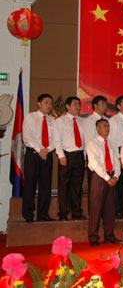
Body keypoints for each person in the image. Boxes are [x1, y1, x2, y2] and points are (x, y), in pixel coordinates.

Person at [86, 119, 120, 246]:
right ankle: (93, 237)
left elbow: (116, 161)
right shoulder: (92, 144)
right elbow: (95, 163)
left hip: (111, 177)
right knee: (96, 208)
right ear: (98, 128)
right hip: (99, 177)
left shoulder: (111, 143)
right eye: (105, 126)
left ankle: (109, 236)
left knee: (110, 208)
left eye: (108, 126)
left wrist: (116, 176)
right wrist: (107, 177)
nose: (108, 128)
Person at [22, 94, 55, 223]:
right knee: (30, 184)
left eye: (50, 103)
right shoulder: (30, 117)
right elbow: (27, 137)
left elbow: (54, 139)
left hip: (47, 154)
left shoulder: (52, 121)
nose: (49, 106)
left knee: (46, 185)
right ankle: (28, 214)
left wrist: (47, 150)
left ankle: (43, 214)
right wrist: (39, 149)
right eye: (46, 102)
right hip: (33, 155)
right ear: (38, 103)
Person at [54, 96, 86, 221]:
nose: (77, 107)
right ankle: (63, 213)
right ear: (67, 106)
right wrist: (61, 156)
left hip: (79, 156)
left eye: (78, 104)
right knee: (64, 186)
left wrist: (84, 158)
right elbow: (57, 140)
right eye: (74, 104)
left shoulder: (82, 122)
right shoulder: (60, 121)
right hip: (66, 156)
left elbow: (84, 141)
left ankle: (76, 212)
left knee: (77, 187)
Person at [108, 95, 123, 219]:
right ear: (118, 106)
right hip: (118, 152)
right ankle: (119, 209)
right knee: (120, 183)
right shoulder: (113, 121)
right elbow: (111, 141)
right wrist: (118, 157)